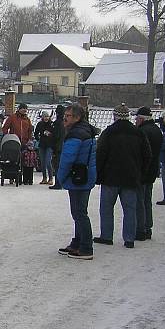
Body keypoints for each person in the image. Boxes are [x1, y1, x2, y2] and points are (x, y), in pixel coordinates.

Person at [94, 104, 151, 249]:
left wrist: (98, 174)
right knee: (130, 209)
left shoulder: (108, 132)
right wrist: (140, 172)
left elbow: (100, 154)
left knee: (106, 208)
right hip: (131, 177)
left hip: (110, 177)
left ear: (115, 116)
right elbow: (147, 155)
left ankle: (106, 236)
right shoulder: (138, 133)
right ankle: (129, 239)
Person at [56, 104, 97, 260]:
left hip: (78, 177)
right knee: (80, 212)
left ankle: (86, 247)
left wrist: (60, 177)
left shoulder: (76, 135)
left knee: (79, 213)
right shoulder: (86, 131)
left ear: (77, 118)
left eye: (69, 116)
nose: (65, 118)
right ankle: (77, 242)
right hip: (84, 175)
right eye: (65, 115)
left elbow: (67, 158)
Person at [134, 107, 163, 241]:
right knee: (147, 200)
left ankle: (140, 228)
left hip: (142, 170)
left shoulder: (142, 132)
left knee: (139, 201)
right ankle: (148, 227)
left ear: (141, 119)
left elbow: (140, 153)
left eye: (136, 118)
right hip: (153, 169)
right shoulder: (157, 130)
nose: (135, 121)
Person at [34, 110, 56, 184]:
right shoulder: (40, 124)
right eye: (45, 117)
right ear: (42, 117)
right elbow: (36, 133)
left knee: (48, 161)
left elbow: (55, 135)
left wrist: (50, 135)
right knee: (42, 163)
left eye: (47, 116)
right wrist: (38, 139)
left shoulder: (52, 124)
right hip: (42, 145)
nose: (46, 118)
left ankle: (51, 178)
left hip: (49, 145)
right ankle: (44, 178)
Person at [49, 105, 67, 190]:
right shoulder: (65, 123)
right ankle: (61, 183)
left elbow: (56, 136)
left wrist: (50, 134)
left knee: (57, 166)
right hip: (64, 146)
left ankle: (58, 183)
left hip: (57, 147)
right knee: (61, 166)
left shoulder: (57, 123)